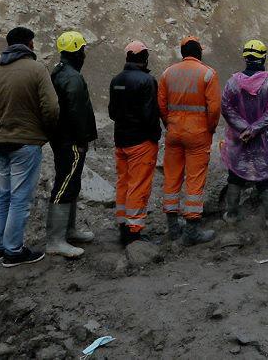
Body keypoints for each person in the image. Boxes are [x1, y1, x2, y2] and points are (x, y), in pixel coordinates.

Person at [0, 26, 58, 267]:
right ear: (29, 44)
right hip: (26, 143)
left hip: (1, 143)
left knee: (3, 196)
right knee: (20, 199)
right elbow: (52, 107)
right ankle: (13, 251)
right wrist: (43, 130)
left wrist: (2, 126)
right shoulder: (36, 69)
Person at [158, 36, 221, 245]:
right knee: (195, 180)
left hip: (174, 132)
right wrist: (210, 129)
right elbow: (214, 109)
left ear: (183, 53)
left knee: (172, 177)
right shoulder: (208, 74)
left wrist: (170, 123)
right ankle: (192, 230)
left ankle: (173, 227)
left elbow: (162, 105)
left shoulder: (168, 73)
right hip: (198, 134)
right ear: (199, 52)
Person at [221, 40, 268, 229]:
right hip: (263, 140)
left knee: (235, 175)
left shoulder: (233, 82)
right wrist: (254, 129)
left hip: (239, 139)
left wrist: (243, 129)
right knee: (265, 177)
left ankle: (231, 214)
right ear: (263, 58)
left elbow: (226, 108)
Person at [46, 31, 98, 260]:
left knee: (70, 183)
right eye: (83, 50)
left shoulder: (58, 72)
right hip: (71, 141)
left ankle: (68, 231)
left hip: (62, 138)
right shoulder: (73, 78)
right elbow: (77, 112)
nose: (84, 54)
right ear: (77, 51)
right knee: (65, 185)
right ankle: (56, 240)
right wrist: (82, 138)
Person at [108, 41, 161, 246]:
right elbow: (150, 114)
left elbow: (113, 112)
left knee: (123, 182)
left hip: (121, 140)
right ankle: (134, 232)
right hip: (141, 142)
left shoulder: (116, 80)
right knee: (138, 185)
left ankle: (123, 225)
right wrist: (154, 135)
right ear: (144, 57)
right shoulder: (147, 80)